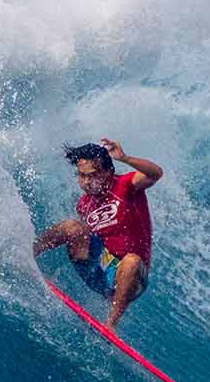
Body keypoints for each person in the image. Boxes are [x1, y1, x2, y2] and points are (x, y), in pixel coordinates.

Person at [31, 138, 163, 329]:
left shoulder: (126, 186)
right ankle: (28, 254)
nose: (86, 182)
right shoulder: (84, 204)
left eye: (92, 176)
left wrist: (125, 158)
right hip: (99, 269)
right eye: (81, 176)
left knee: (131, 261)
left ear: (108, 172)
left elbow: (156, 173)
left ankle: (110, 324)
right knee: (71, 227)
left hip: (130, 279)